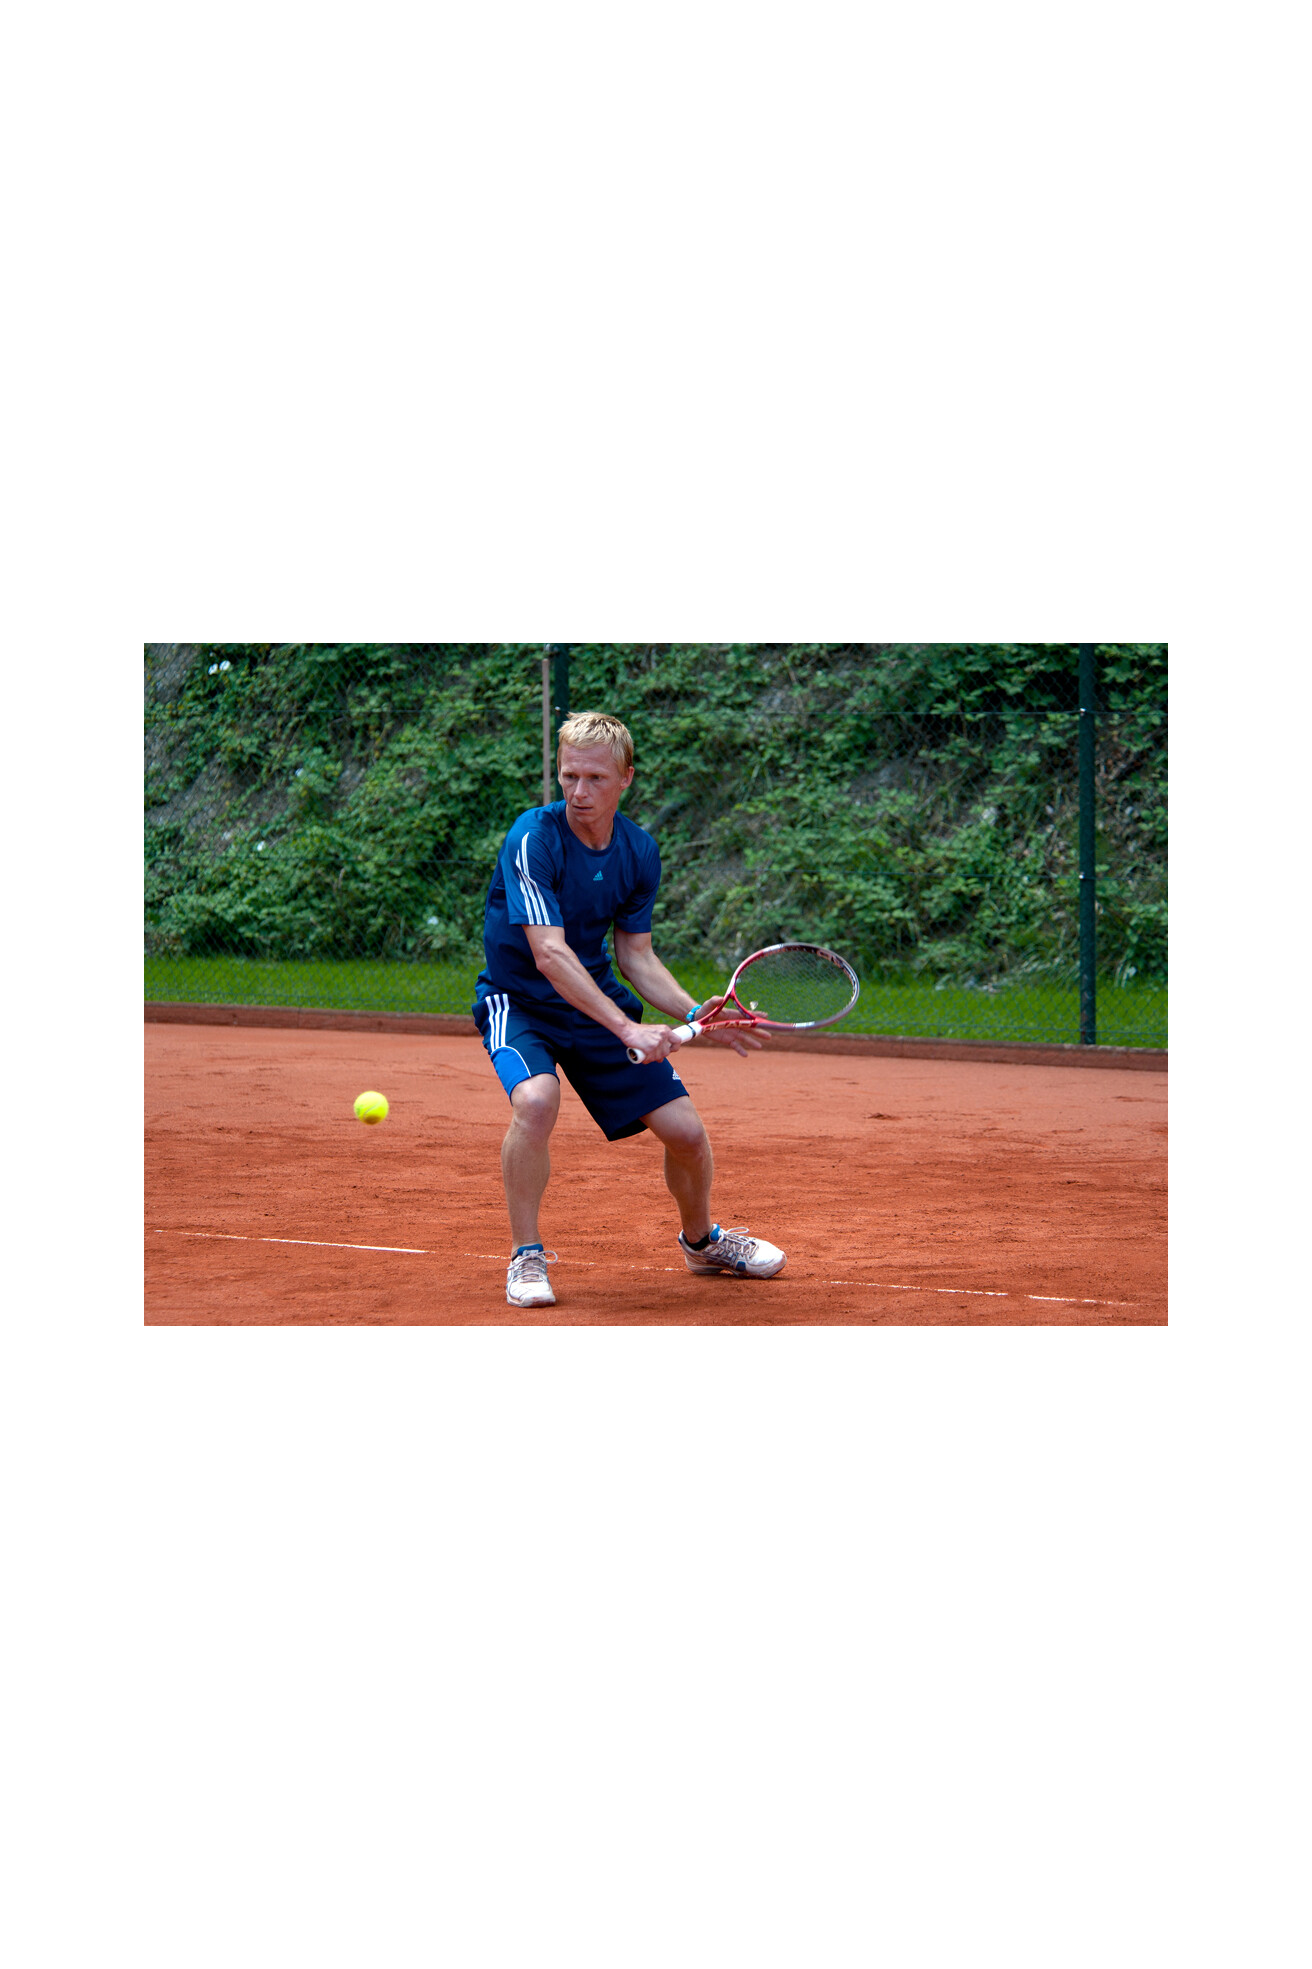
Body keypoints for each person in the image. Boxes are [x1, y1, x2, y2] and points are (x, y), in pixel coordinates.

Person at [472, 710, 786, 1308]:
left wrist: (695, 1012)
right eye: (569, 776)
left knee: (686, 1133)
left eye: (595, 778)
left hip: (593, 1003)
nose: (579, 792)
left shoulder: (638, 851)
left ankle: (702, 1243)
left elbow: (636, 956)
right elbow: (549, 953)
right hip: (521, 1002)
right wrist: (626, 1028)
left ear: (626, 779)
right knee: (535, 1101)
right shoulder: (533, 838)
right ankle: (526, 1255)